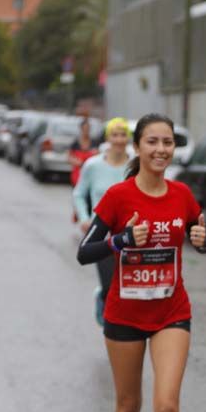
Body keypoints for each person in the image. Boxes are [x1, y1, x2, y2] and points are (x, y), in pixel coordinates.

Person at [76, 113, 206, 412]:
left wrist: (204, 241)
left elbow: (204, 237)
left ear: (173, 148)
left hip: (172, 312)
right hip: (124, 315)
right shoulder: (118, 196)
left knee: (167, 406)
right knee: (127, 405)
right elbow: (85, 251)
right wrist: (120, 241)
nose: (160, 150)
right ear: (137, 147)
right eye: (152, 142)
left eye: (167, 142)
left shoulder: (183, 195)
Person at [73, 117, 132, 325]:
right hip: (103, 233)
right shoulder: (93, 165)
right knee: (109, 285)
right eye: (114, 135)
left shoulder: (136, 165)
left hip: (130, 233)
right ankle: (103, 297)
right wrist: (84, 218)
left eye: (123, 135)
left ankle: (122, 327)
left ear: (128, 138)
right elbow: (79, 193)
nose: (119, 140)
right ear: (108, 138)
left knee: (127, 287)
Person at [69, 118, 99, 188]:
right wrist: (76, 161)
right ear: (81, 128)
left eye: (87, 128)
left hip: (91, 175)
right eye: (84, 128)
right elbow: (69, 156)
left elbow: (99, 156)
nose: (86, 130)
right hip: (77, 175)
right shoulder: (75, 143)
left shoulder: (94, 142)